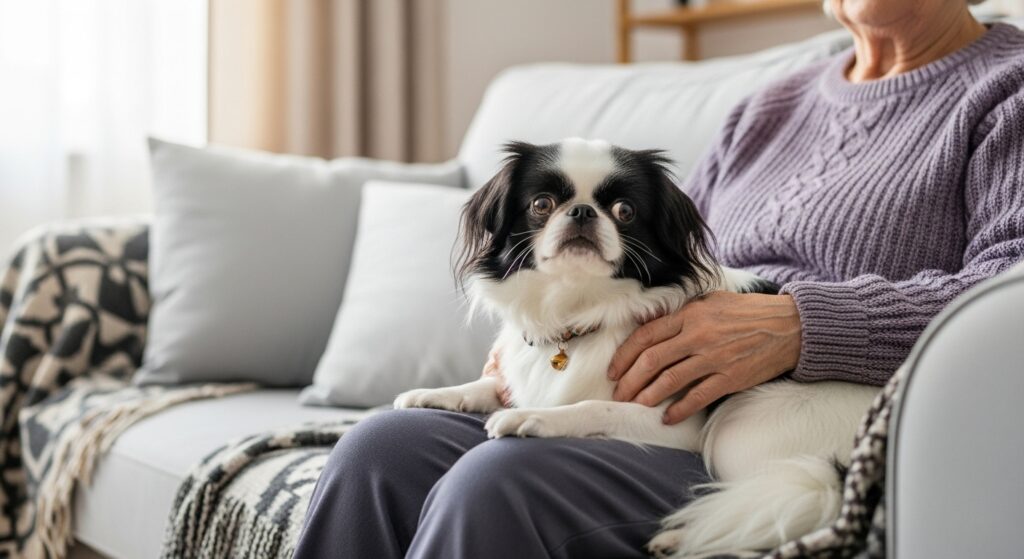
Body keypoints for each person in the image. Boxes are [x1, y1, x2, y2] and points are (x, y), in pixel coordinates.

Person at [294, 2, 1024, 557]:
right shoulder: (769, 106)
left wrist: (801, 325)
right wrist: (540, 338)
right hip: (654, 399)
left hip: (787, 431)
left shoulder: (1006, 91)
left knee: (500, 479)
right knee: (379, 451)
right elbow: (665, 258)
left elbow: (1011, 296)